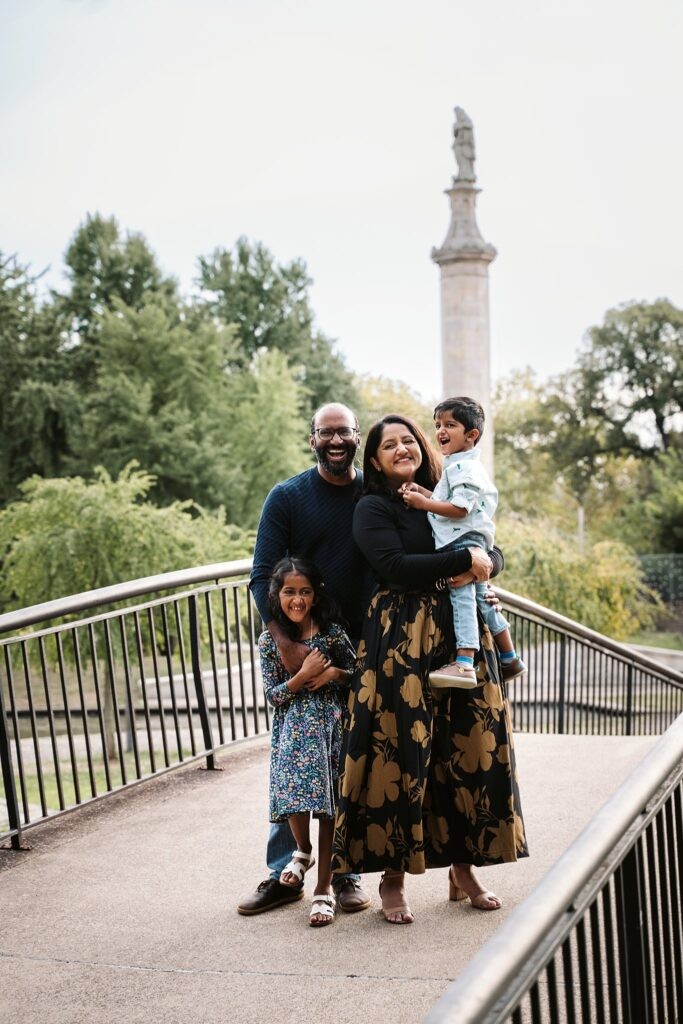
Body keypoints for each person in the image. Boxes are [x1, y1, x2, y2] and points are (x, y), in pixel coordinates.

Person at [331, 414, 528, 924]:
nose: (400, 448)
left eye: (407, 440)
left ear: (422, 447)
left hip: (460, 637)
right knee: (400, 754)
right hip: (399, 641)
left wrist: (484, 562)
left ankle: (464, 871)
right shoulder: (372, 507)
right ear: (374, 460)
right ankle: (393, 881)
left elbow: (489, 545)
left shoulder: (448, 489)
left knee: (467, 752)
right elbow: (394, 567)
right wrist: (465, 564)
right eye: (388, 445)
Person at [238, 402, 371, 916]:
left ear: (357, 437)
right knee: (294, 763)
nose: (336, 441)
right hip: (300, 642)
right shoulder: (288, 497)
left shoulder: (372, 494)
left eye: (344, 433)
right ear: (312, 438)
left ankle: (344, 874)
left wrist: (484, 563)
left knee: (347, 766)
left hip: (357, 650)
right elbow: (259, 576)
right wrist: (288, 646)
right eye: (325, 433)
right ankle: (285, 873)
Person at [401, 396, 526, 688]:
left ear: (472, 435)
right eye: (438, 425)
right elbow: (450, 501)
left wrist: (422, 504)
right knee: (483, 599)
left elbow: (460, 509)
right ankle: (510, 656)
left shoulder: (464, 469)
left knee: (463, 598)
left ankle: (465, 662)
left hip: (462, 541)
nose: (441, 431)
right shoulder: (456, 465)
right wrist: (424, 491)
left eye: (450, 425)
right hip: (468, 539)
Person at [260, 557, 356, 927]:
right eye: (289, 592)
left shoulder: (331, 633)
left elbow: (357, 674)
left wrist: (331, 671)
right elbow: (273, 695)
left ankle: (324, 889)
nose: (297, 599)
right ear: (276, 596)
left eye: (304, 592)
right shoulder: (270, 641)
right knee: (294, 799)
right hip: (291, 735)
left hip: (330, 731)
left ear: (315, 596)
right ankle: (302, 851)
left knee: (329, 807)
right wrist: (302, 676)